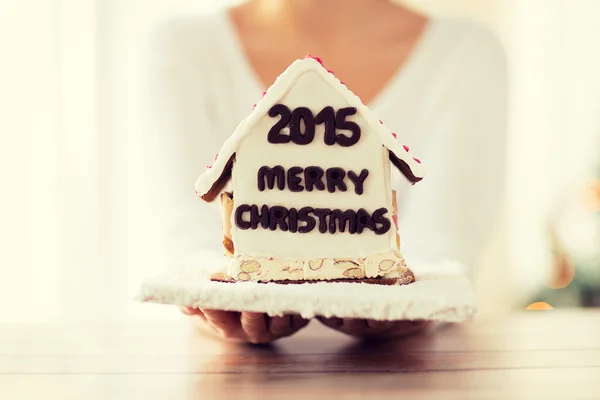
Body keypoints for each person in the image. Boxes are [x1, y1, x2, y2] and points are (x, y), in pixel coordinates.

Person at [145, 0, 507, 344]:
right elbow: (187, 241)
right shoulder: (180, 48)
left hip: (410, 374)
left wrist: (417, 304)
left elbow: (446, 246)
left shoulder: (467, 54)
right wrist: (211, 297)